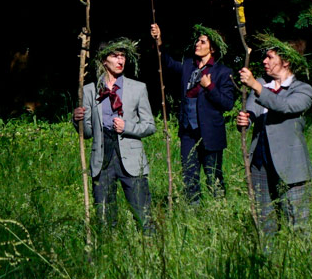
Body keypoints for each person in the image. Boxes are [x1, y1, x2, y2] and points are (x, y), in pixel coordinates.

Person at [73, 38, 157, 231]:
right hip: (102, 159)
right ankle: (108, 247)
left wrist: (127, 127)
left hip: (131, 158)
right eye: (115, 56)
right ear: (104, 60)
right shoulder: (89, 91)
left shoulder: (137, 88)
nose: (120, 60)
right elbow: (87, 133)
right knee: (104, 217)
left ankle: (150, 246)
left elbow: (150, 126)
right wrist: (77, 120)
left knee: (143, 215)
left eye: (123, 56)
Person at [235, 34, 312, 234]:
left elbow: (284, 106)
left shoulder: (303, 90)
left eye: (270, 57)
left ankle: (300, 254)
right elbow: (252, 110)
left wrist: (256, 86)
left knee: (298, 224)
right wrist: (245, 120)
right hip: (260, 164)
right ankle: (266, 253)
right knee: (265, 222)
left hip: (290, 167)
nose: (264, 61)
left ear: (286, 62)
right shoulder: (262, 84)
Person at [151, 21, 237, 201]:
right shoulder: (188, 66)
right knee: (189, 176)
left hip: (210, 134)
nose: (197, 44)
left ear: (213, 48)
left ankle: (219, 209)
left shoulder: (223, 72)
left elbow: (227, 103)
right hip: (188, 132)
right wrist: (159, 42)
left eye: (203, 42)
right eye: (197, 41)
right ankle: (193, 209)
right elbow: (167, 63)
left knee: (213, 177)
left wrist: (210, 86)